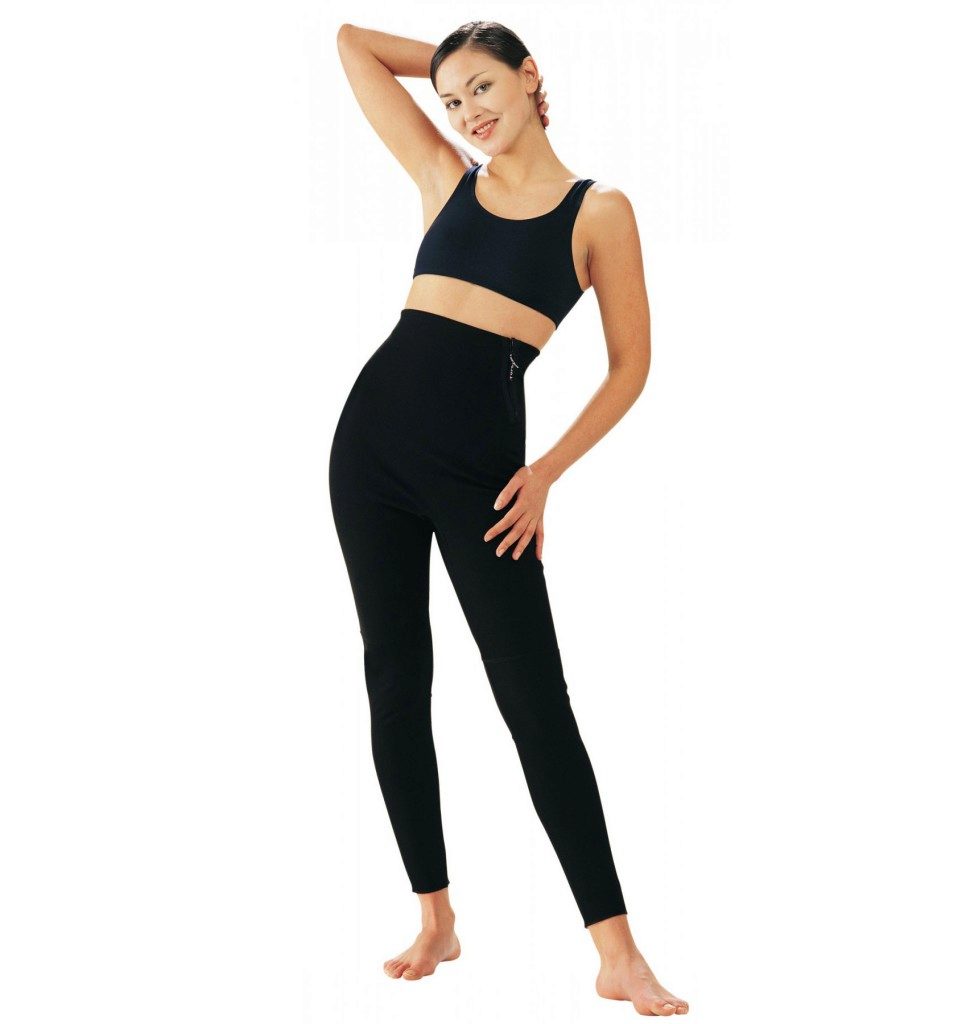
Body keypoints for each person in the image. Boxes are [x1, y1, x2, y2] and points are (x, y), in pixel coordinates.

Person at [330, 20, 687, 1016]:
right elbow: (352, 43)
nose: (465, 113)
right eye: (450, 100)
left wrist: (546, 474)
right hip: (368, 453)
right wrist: (449, 60)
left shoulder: (596, 211)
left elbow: (631, 367)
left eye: (482, 88)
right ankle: (434, 916)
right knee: (396, 676)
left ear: (532, 77)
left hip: (486, 483)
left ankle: (616, 953)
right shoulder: (446, 178)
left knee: (535, 700)